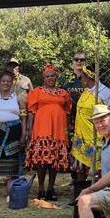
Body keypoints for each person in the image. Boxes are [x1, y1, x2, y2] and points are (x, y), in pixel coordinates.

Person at [26, 64, 73, 200]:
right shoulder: (36, 92)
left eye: (52, 76)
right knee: (42, 160)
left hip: (59, 130)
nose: (50, 78)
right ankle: (41, 189)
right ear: (43, 78)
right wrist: (29, 129)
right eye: (47, 76)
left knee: (55, 161)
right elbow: (31, 112)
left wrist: (67, 129)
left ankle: (50, 189)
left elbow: (68, 112)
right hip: (41, 128)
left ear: (56, 77)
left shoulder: (64, 93)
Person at [0, 72, 28, 201]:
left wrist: (24, 134)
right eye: (3, 81)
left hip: (14, 133)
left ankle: (10, 193)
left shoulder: (18, 99)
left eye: (8, 81)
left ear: (12, 83)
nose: (6, 83)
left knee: (12, 165)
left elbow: (23, 119)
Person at [71, 66, 110, 184]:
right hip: (81, 138)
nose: (79, 80)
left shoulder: (103, 91)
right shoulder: (86, 91)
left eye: (81, 77)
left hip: (95, 137)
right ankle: (80, 192)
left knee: (97, 170)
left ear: (87, 77)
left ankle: (97, 192)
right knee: (81, 168)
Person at [62, 52, 88, 127]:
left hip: (86, 116)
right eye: (76, 59)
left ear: (85, 62)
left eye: (82, 60)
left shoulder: (90, 78)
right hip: (69, 118)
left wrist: (80, 96)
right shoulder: (65, 78)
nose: (79, 61)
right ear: (72, 62)